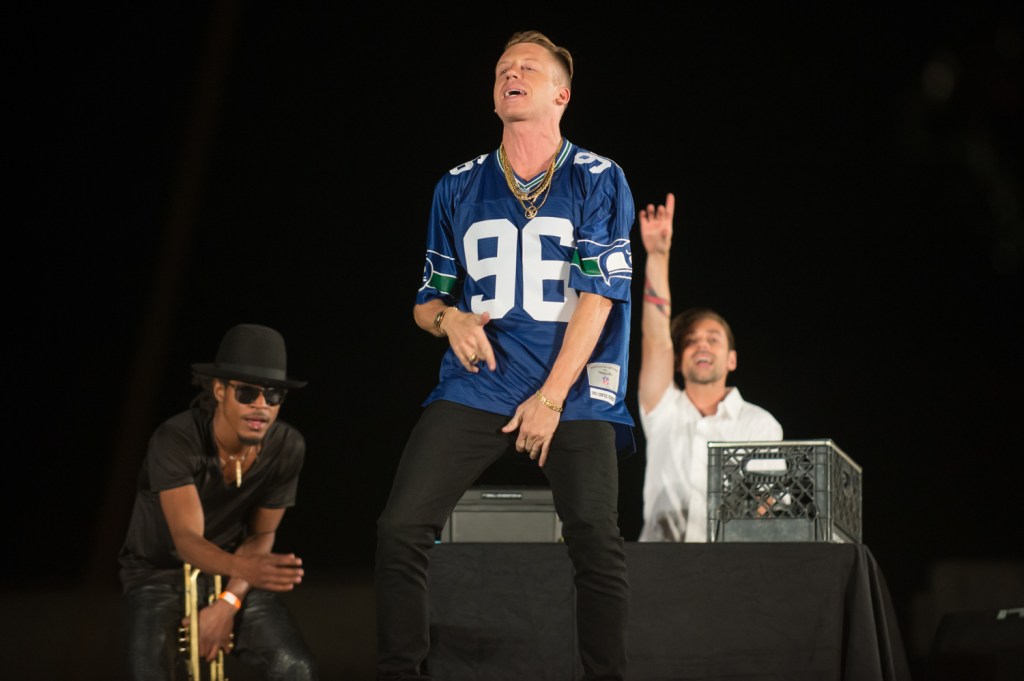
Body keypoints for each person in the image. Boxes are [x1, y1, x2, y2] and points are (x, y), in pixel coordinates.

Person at [374, 30, 635, 681]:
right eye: (501, 69)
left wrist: (551, 397)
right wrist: (450, 318)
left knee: (597, 543)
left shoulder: (597, 176)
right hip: (480, 382)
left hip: (571, 388)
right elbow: (424, 300)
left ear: (560, 93)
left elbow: (599, 298)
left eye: (527, 67)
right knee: (400, 528)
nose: (510, 74)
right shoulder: (457, 185)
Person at [118, 323, 318, 680]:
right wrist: (245, 570)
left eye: (273, 396)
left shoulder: (287, 447)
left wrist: (229, 602)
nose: (261, 407)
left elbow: (260, 537)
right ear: (220, 390)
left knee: (297, 668)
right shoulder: (177, 440)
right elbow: (187, 540)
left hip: (231, 574)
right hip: (158, 574)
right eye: (247, 393)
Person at [636, 192, 783, 543]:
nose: (701, 344)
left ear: (732, 359)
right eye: (690, 340)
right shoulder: (662, 409)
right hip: (657, 565)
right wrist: (658, 255)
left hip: (729, 570)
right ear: (677, 358)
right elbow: (655, 338)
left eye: (713, 338)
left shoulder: (759, 425)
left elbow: (769, 506)